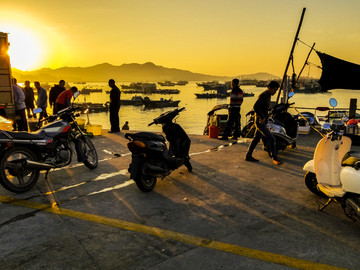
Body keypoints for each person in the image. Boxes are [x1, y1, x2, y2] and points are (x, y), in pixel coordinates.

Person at [245, 81, 283, 165]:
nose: (275, 92)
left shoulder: (268, 95)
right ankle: (275, 158)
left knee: (256, 139)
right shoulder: (264, 95)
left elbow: (262, 108)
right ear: (270, 88)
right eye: (275, 90)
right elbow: (255, 107)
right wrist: (262, 117)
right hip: (260, 121)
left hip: (263, 120)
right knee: (272, 139)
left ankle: (248, 155)